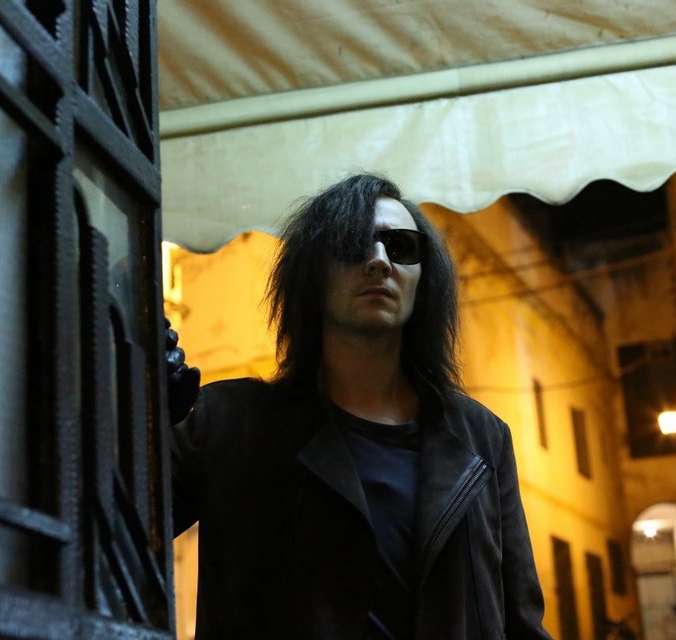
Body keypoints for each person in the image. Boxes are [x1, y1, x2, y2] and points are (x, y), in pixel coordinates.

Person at [166, 173, 553, 639]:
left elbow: (521, 621)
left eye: (401, 247)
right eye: (352, 244)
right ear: (313, 273)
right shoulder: (233, 424)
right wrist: (139, 418)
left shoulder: (483, 439)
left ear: (424, 277)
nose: (379, 261)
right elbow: (117, 524)